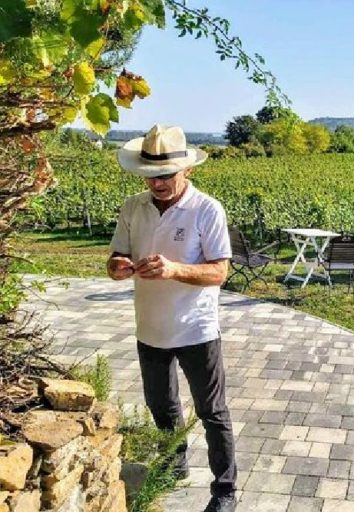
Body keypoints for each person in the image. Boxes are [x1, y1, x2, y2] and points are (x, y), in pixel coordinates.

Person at [107, 124, 237, 512]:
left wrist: (173, 270)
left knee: (212, 413)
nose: (158, 182)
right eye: (150, 175)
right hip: (149, 328)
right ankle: (175, 463)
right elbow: (115, 256)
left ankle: (225, 491)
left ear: (188, 170)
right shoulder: (133, 207)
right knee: (161, 407)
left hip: (197, 330)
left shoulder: (207, 209)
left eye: (166, 174)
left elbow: (219, 273)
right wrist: (118, 267)